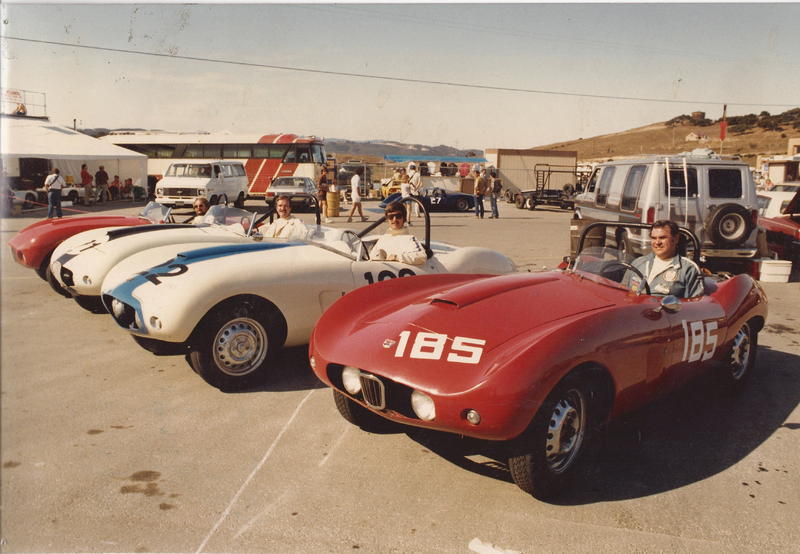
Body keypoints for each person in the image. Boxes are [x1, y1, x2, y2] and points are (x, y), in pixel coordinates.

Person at [624, 220, 704, 298]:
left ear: (675, 239)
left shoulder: (688, 269)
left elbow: (695, 305)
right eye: (654, 238)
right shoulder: (637, 263)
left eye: (662, 238)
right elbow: (622, 292)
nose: (657, 242)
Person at [370, 201, 426, 266]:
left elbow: (421, 256)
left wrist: (396, 257)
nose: (394, 219)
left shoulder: (409, 239)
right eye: (391, 217)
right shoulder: (383, 238)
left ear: (404, 218)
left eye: (398, 216)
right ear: (387, 219)